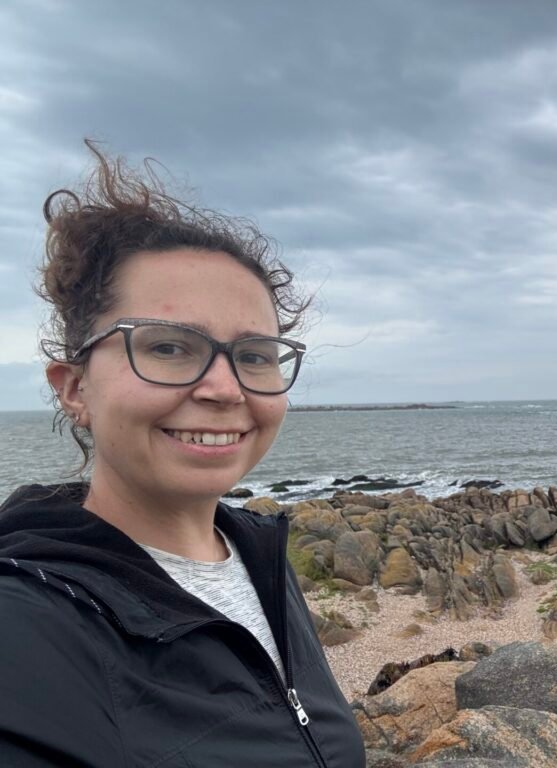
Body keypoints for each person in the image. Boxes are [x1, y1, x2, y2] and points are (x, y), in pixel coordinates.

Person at [0, 142, 366, 767]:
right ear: (74, 388)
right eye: (169, 348)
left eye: (255, 355)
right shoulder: (27, 627)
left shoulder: (261, 557)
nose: (224, 389)